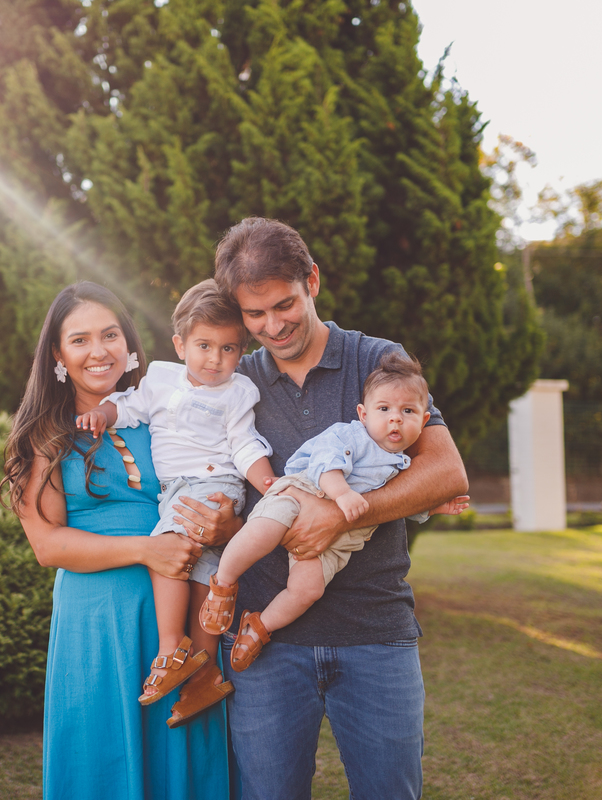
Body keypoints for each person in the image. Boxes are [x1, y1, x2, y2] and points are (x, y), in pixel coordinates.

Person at [212, 217, 471, 799]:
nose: (272, 326)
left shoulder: (377, 360)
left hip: (375, 634)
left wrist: (339, 514)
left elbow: (446, 471)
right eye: (254, 315)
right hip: (266, 644)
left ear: (313, 282)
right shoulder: (237, 381)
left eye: (285, 304)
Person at [2, 281, 237, 800]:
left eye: (110, 334)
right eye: (80, 340)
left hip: (179, 619)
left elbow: (219, 484)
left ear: (129, 343)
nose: (98, 350)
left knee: (183, 757)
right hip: (98, 623)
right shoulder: (42, 433)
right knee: (103, 758)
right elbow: (48, 546)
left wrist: (228, 527)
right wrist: (144, 550)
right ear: (59, 356)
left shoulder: (168, 409)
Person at [75, 279, 273, 724]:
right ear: (180, 345)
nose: (215, 359)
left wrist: (268, 482)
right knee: (202, 571)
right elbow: (125, 407)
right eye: (204, 346)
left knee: (166, 553)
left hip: (210, 484)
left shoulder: (239, 391)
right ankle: (204, 676)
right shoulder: (160, 378)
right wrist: (100, 415)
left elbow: (245, 445)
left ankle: (170, 649)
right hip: (180, 489)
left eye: (228, 349)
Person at [199, 351, 468, 672]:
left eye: (407, 411)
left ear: (424, 421)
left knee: (307, 589)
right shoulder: (351, 434)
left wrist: (432, 507)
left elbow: (399, 504)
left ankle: (259, 627)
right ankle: (224, 582)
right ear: (364, 413)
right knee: (262, 531)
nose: (395, 418)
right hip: (302, 495)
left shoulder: (403, 464)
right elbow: (326, 464)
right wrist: (341, 495)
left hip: (335, 542)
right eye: (384, 409)